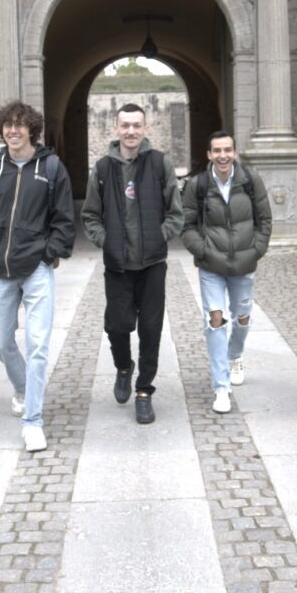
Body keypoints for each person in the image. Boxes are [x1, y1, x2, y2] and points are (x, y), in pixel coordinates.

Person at [0, 101, 75, 453]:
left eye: (20, 125)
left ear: (31, 129)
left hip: (36, 268)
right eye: (7, 125)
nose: (13, 131)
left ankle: (33, 421)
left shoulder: (51, 168)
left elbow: (64, 219)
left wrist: (49, 253)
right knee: (0, 342)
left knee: (38, 345)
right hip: (0, 269)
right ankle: (24, 388)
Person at [81, 103, 183, 424]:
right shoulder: (102, 169)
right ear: (116, 128)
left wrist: (159, 237)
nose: (131, 131)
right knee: (117, 325)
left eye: (137, 125)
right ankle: (124, 367)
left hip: (152, 264)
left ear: (145, 128)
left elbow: (176, 213)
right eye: (125, 125)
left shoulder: (160, 163)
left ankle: (144, 391)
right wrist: (106, 240)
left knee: (151, 330)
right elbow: (90, 215)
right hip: (118, 265)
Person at [180, 131, 272, 414]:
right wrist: (203, 251)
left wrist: (256, 249)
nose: (223, 156)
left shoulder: (250, 180)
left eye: (227, 150)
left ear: (235, 153)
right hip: (211, 265)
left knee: (242, 317)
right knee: (215, 320)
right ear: (209, 155)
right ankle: (221, 386)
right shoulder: (197, 185)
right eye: (217, 151)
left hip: (244, 263)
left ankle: (235, 355)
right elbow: (186, 225)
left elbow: (264, 219)